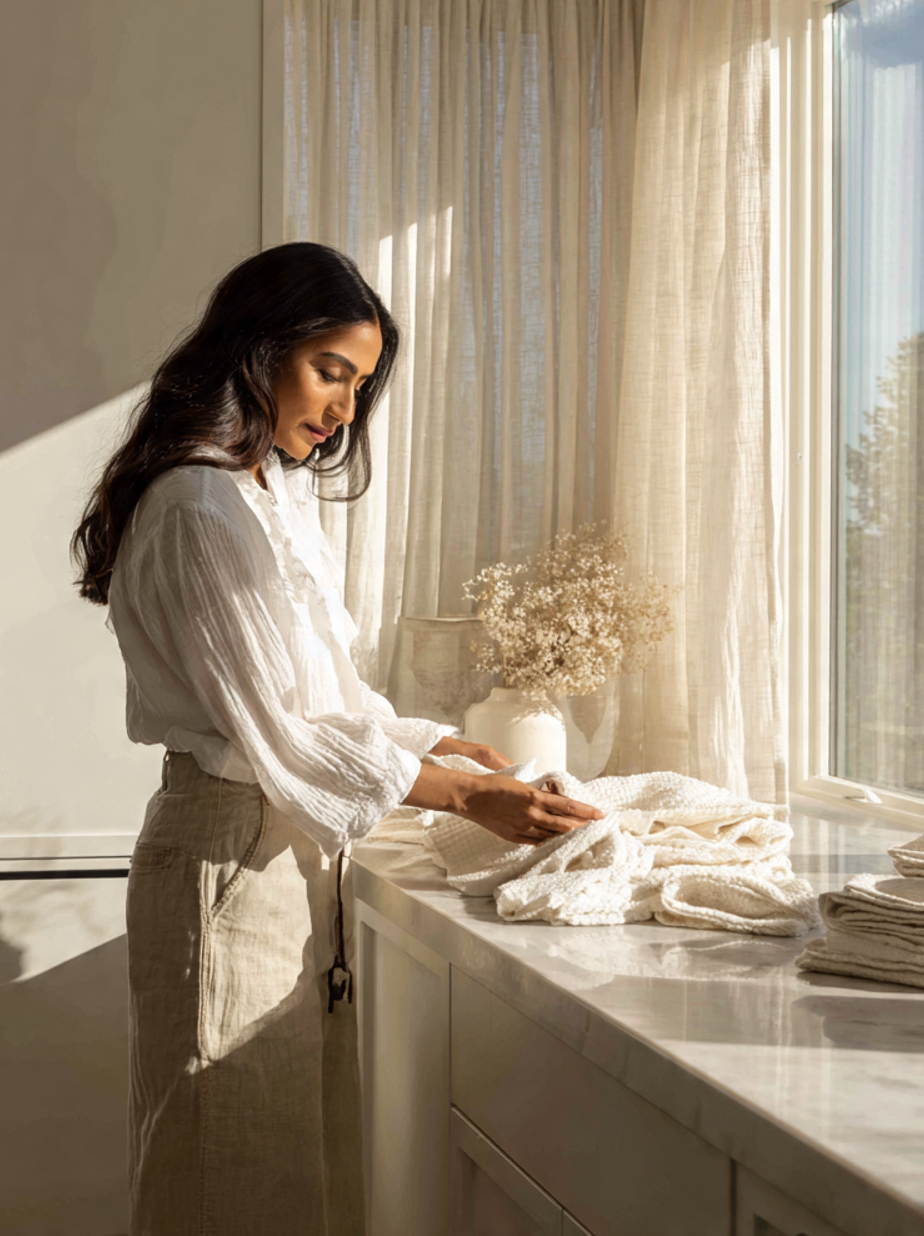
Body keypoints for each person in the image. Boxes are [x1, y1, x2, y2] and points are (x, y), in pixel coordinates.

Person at [72, 241, 602, 1235]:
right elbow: (280, 730)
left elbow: (328, 696)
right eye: (331, 370)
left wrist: (449, 744)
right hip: (226, 858)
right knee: (222, 1177)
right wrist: (460, 795)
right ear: (256, 349)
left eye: (359, 384)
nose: (345, 408)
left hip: (276, 856)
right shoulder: (195, 504)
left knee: (271, 1170)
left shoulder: (261, 495)